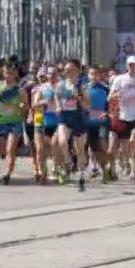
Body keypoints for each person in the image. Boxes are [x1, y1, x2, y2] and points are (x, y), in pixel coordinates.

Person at [109, 55, 135, 181]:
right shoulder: (119, 79)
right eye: (130, 65)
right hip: (124, 116)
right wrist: (115, 96)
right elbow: (110, 97)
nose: (133, 67)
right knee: (126, 147)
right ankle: (130, 164)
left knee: (133, 141)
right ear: (127, 66)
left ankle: (134, 170)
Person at [0, 62, 28, 185]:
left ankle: (7, 174)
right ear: (3, 73)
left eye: (11, 73)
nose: (9, 75)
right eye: (7, 73)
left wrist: (19, 107)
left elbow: (25, 106)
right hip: (0, 122)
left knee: (10, 149)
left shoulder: (20, 90)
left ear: (15, 74)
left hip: (14, 123)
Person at [55, 59, 89, 191]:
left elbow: (87, 104)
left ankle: (81, 176)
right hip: (64, 116)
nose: (67, 72)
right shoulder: (60, 84)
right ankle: (68, 161)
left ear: (77, 70)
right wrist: (58, 107)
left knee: (80, 149)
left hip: (78, 116)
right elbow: (57, 97)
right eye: (65, 70)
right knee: (62, 141)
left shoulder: (81, 84)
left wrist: (79, 97)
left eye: (70, 69)